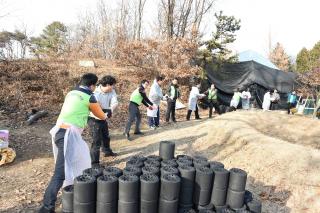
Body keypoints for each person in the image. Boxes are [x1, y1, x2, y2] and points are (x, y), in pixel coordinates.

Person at [39, 73, 108, 213]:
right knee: (60, 173)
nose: (95, 88)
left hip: (61, 131)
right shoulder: (90, 96)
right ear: (92, 85)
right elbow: (100, 115)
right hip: (68, 135)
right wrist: (106, 113)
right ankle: (46, 207)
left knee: (80, 160)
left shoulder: (71, 93)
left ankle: (77, 191)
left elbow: (78, 109)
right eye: (95, 86)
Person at [88, 75, 118, 165]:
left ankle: (107, 151)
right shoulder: (95, 93)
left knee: (106, 136)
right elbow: (96, 107)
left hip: (103, 116)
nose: (113, 87)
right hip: (94, 118)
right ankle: (94, 163)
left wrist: (110, 109)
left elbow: (115, 102)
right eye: (112, 85)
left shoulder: (112, 91)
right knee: (96, 140)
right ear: (108, 85)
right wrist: (104, 111)